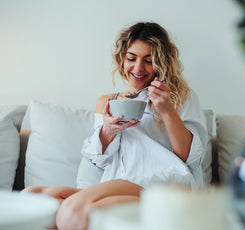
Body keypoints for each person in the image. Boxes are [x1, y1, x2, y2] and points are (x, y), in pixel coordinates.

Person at [23, 22, 208, 230]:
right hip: (120, 183)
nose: (138, 68)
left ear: (161, 63)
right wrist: (107, 131)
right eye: (131, 58)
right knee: (31, 196)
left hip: (165, 184)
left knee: (74, 213)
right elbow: (96, 160)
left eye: (148, 61)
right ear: (122, 58)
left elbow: (190, 158)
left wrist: (166, 110)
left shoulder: (179, 97)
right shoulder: (107, 102)